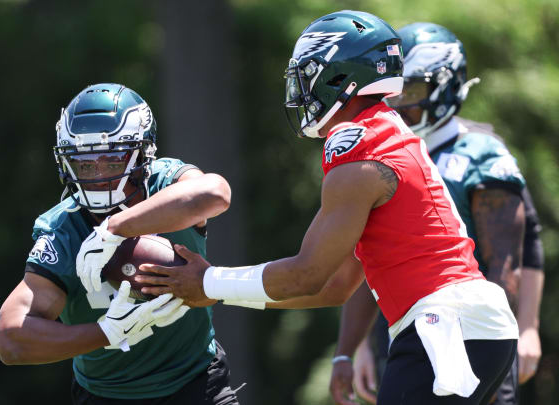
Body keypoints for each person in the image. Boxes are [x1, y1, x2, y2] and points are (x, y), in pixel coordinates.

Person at [135, 11, 519, 405]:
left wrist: (209, 282)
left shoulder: (358, 148)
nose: (300, 90)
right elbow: (335, 285)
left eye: (307, 75)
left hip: (445, 323)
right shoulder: (384, 133)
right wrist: (214, 292)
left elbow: (306, 275)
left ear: (341, 76)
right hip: (474, 326)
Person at [328, 22, 545, 405]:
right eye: (394, 92)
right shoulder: (380, 153)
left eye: (411, 90)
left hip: (471, 332)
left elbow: (511, 260)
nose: (398, 103)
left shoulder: (482, 153)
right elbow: (366, 257)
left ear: (445, 84)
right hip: (407, 331)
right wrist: (354, 346)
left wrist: (526, 327)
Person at [0, 83, 241, 405]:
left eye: (111, 162)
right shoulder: (63, 228)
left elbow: (215, 194)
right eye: (84, 164)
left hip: (196, 380)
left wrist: (114, 228)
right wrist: (108, 332)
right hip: (106, 395)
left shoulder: (164, 182)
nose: (98, 174)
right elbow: (11, 339)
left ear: (143, 154)